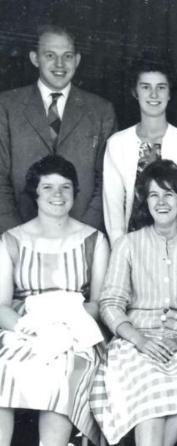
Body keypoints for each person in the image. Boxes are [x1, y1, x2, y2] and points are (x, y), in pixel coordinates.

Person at [90, 160, 177, 445]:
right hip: (134, 343)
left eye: (169, 194)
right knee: (150, 390)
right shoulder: (128, 244)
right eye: (154, 194)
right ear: (146, 201)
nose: (161, 201)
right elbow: (110, 304)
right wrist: (139, 340)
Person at [0, 155, 109, 446]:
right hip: (24, 331)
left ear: (75, 192)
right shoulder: (10, 240)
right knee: (3, 369)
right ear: (35, 193)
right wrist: (32, 329)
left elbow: (97, 303)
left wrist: (65, 328)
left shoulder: (94, 240)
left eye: (65, 187)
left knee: (60, 376)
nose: (57, 195)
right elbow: (1, 306)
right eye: (48, 187)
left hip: (74, 334)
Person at [0, 25, 117, 234]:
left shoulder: (101, 110)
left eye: (68, 56)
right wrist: (16, 236)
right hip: (19, 236)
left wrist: (83, 234)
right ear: (35, 58)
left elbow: (107, 182)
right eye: (50, 55)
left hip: (81, 236)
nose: (60, 64)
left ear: (78, 60)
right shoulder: (7, 106)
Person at [103, 56, 177, 245]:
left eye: (161, 87)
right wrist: (123, 253)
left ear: (169, 93)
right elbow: (113, 208)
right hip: (129, 247)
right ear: (135, 92)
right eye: (145, 87)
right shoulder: (117, 144)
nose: (154, 94)